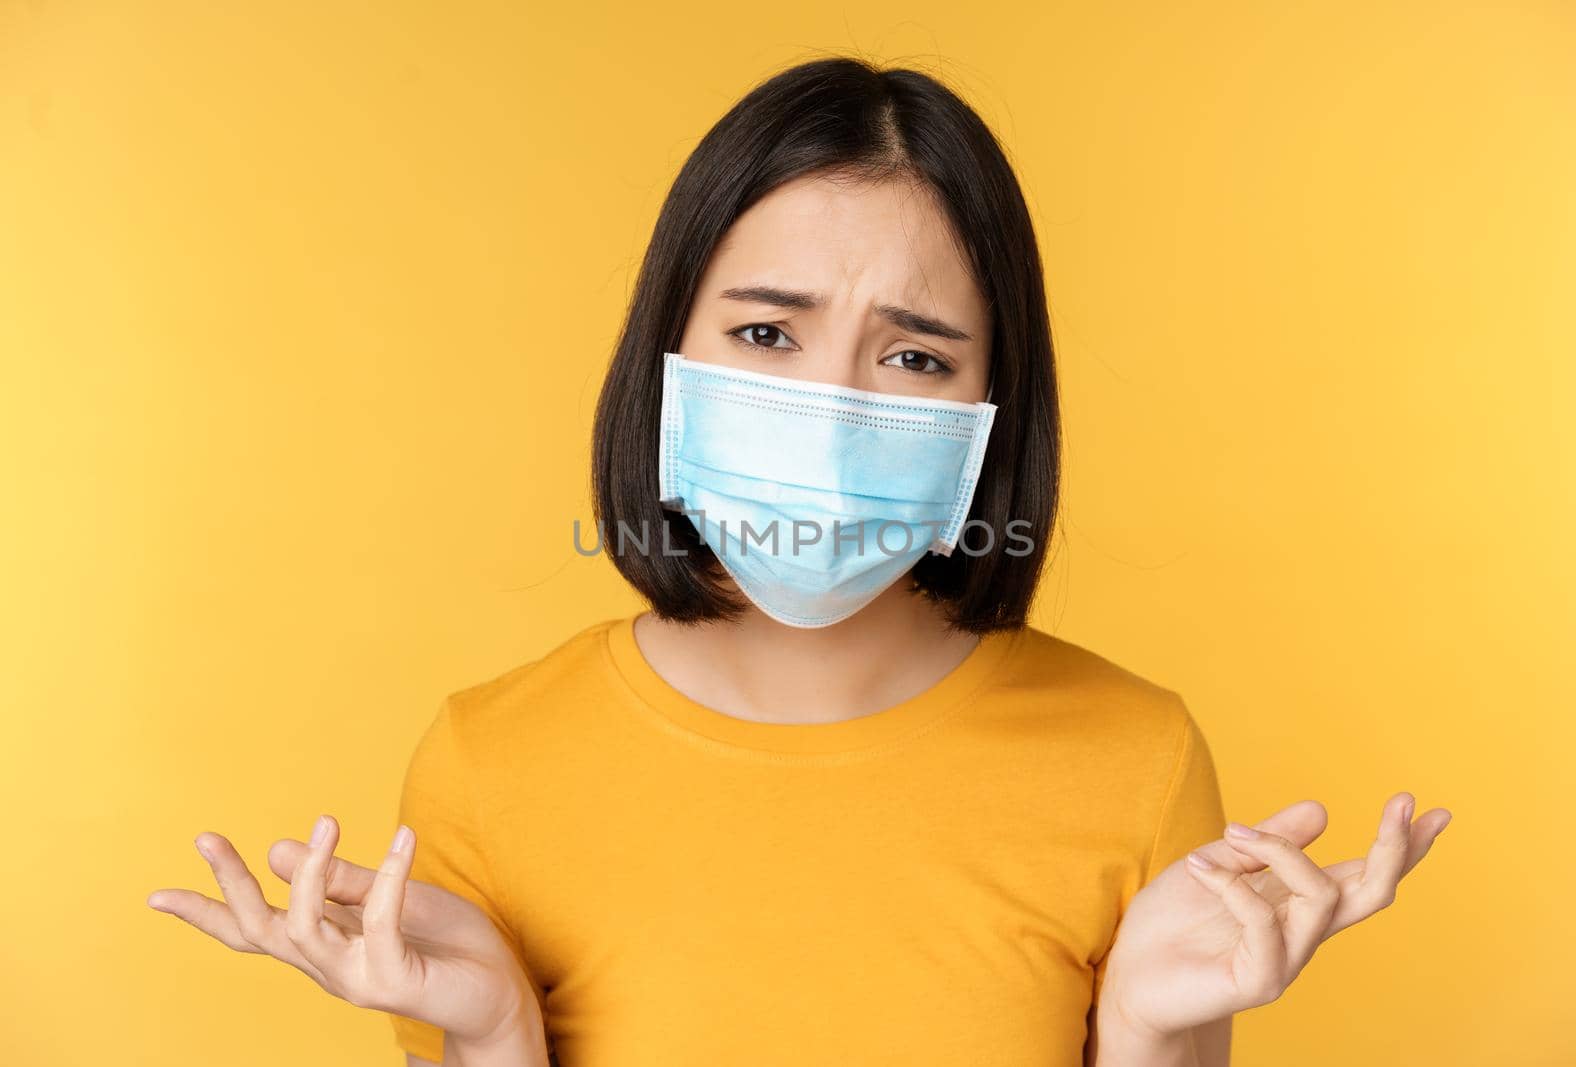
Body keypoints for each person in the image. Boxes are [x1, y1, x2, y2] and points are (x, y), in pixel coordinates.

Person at [146, 56, 1453, 1067]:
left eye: (914, 355)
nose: (830, 408)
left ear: (995, 408)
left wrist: (1152, 1042)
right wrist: (495, 1038)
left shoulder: (1138, 758)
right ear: (671, 350)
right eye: (769, 335)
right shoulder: (489, 763)